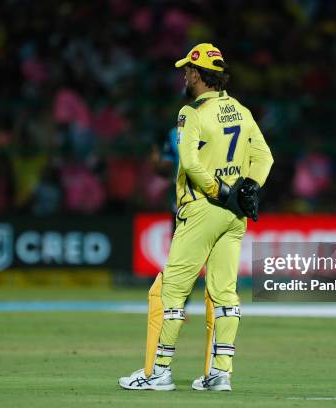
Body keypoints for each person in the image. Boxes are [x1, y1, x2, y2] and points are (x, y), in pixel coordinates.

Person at [119, 43, 274, 391]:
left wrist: (218, 191)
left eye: (187, 70)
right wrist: (248, 189)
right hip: (235, 216)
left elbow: (189, 163)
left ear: (198, 74)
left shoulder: (191, 113)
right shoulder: (241, 111)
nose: (184, 76)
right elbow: (265, 157)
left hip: (202, 208)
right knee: (225, 293)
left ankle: (160, 372)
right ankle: (221, 374)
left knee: (174, 290)